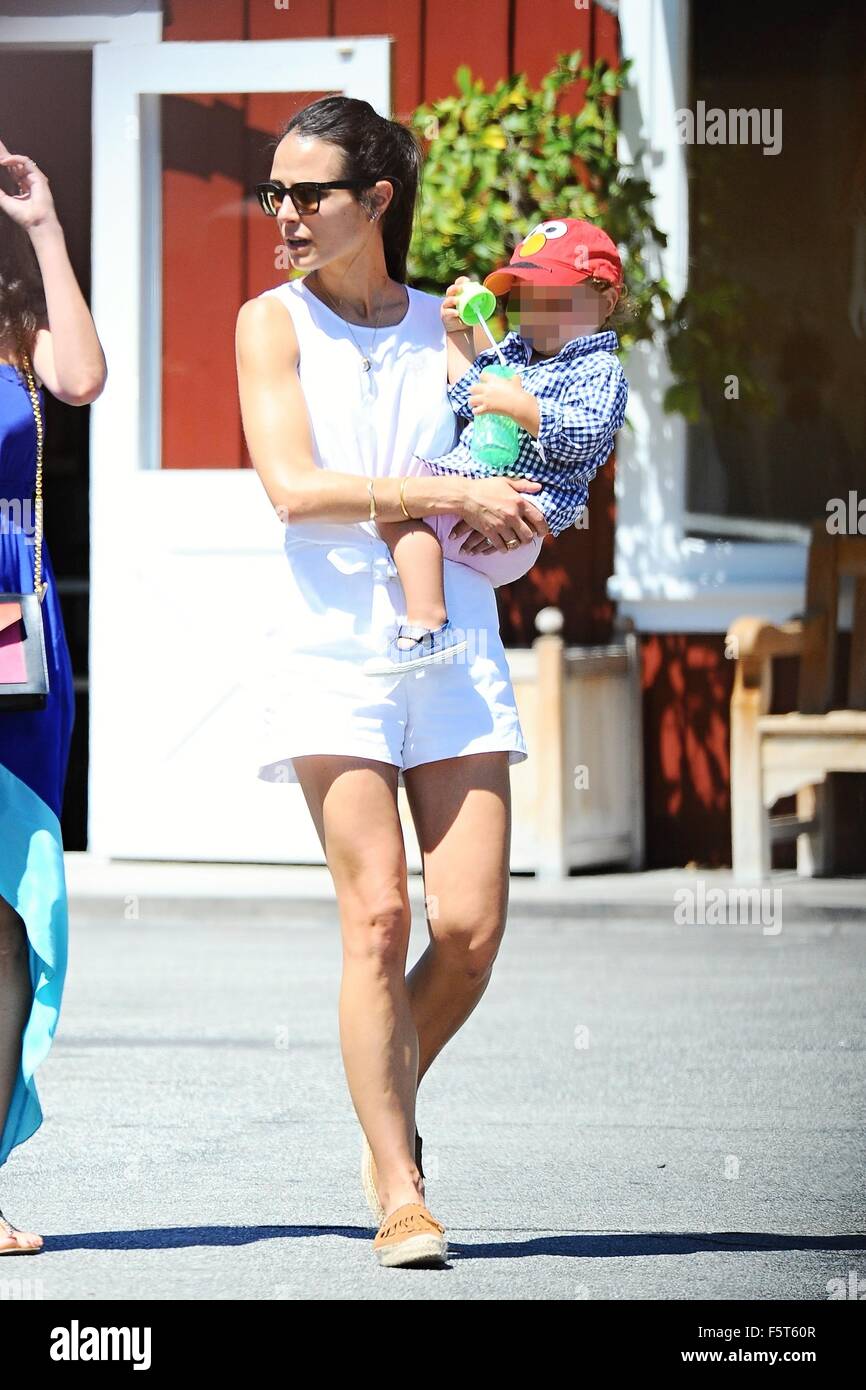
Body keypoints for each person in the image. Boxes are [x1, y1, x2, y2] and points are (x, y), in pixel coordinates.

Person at [236, 94, 548, 1268]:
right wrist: (445, 493)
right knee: (376, 918)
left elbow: (504, 430)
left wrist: (506, 474)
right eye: (275, 191)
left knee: (465, 929)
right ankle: (397, 1176)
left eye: (308, 193)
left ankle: (380, 1081)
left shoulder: (446, 324)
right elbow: (293, 485)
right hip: (332, 647)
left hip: (455, 641)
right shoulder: (268, 323)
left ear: (376, 200)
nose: (286, 213)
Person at [368, 218, 630, 674]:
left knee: (396, 504)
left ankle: (428, 620)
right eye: (526, 301)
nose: (536, 315)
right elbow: (467, 389)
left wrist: (524, 408)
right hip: (477, 489)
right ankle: (424, 617)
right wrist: (457, 332)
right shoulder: (513, 353)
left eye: (556, 301)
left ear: (604, 301)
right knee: (394, 499)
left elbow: (588, 435)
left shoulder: (599, 370)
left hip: (520, 515)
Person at [0, 137, 106, 1254]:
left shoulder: (17, 328)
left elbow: (80, 380)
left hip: (12, 642)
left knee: (6, 918)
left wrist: (41, 225)